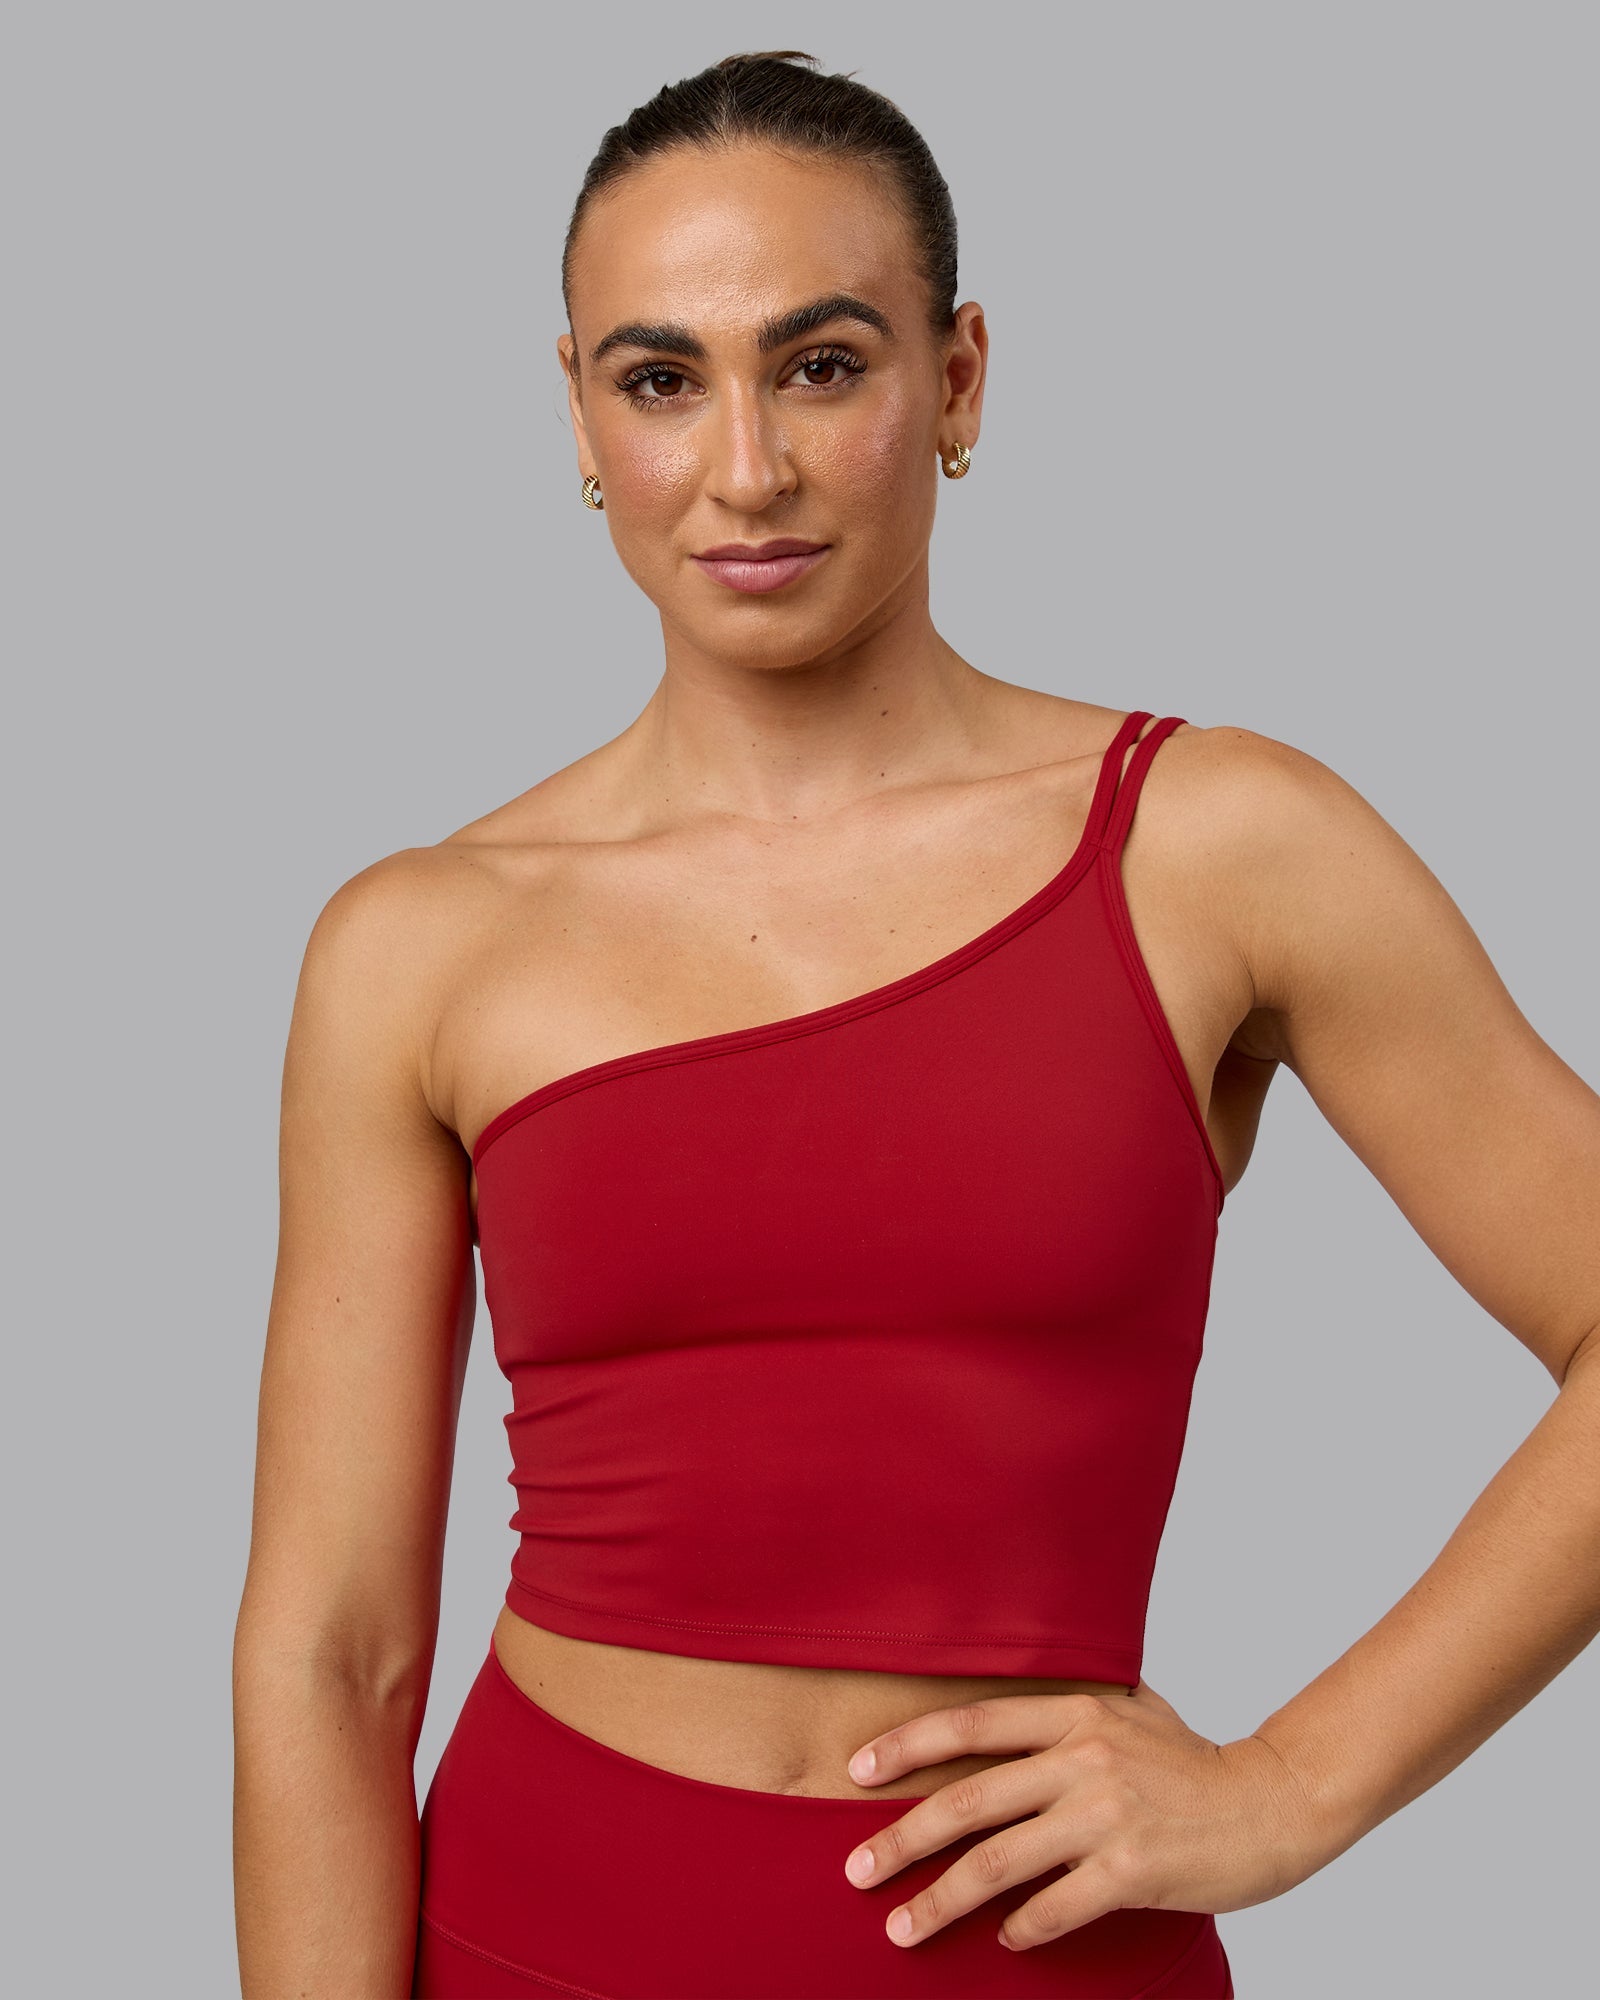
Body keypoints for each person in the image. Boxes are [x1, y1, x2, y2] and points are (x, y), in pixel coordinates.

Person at [232, 48, 1600, 2000]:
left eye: (819, 365)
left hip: (1046, 1961)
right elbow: (333, 1649)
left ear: (955, 380)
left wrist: (1295, 1783)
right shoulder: (421, 945)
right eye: (660, 379)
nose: (746, 469)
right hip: (535, 1939)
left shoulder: (1215, 847)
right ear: (578, 412)